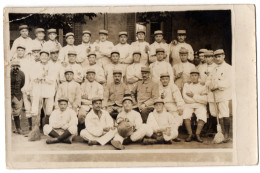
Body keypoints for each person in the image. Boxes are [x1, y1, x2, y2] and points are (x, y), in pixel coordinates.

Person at [206, 49, 232, 143]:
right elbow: (208, 80)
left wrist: (216, 86)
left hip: (223, 94)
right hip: (213, 95)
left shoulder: (228, 68)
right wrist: (210, 85)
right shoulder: (214, 68)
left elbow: (228, 82)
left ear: (223, 56)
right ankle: (219, 132)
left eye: (219, 56)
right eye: (216, 57)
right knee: (214, 113)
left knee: (224, 113)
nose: (217, 58)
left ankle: (227, 135)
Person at [30, 49, 56, 126]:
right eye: (42, 55)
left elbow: (52, 79)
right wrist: (41, 76)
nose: (44, 57)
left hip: (49, 89)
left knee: (49, 110)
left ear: (48, 57)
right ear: (40, 56)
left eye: (46, 55)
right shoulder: (35, 65)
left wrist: (44, 78)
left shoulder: (52, 66)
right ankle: (35, 129)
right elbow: (33, 77)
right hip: (38, 89)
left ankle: (47, 128)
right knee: (35, 110)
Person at [182, 68, 208, 143]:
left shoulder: (203, 86)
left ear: (198, 76)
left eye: (195, 75)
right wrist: (198, 97)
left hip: (200, 104)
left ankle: (197, 134)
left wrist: (193, 96)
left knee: (202, 113)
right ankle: (190, 134)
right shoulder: (187, 85)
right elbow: (185, 98)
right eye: (192, 75)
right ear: (190, 76)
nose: (193, 77)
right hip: (189, 104)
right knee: (186, 113)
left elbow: (205, 99)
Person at [159, 73, 185, 141]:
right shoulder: (158, 87)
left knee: (177, 117)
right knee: (161, 117)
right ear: (160, 80)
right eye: (163, 79)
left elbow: (178, 98)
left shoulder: (173, 86)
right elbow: (157, 98)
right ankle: (164, 135)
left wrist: (180, 107)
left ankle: (174, 134)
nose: (164, 81)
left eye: (166, 79)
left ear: (169, 80)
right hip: (162, 105)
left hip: (172, 104)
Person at [78, 69, 104, 134]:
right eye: (89, 75)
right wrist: (93, 98)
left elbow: (100, 97)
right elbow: (80, 96)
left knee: (100, 116)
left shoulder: (99, 86)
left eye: (92, 75)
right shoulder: (82, 85)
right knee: (81, 115)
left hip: (96, 105)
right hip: (85, 105)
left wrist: (88, 97)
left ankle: (98, 132)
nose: (91, 76)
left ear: (95, 76)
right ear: (87, 76)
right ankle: (81, 132)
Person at [10, 60, 25, 134]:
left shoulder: (22, 73)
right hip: (8, 95)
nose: (15, 68)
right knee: (7, 112)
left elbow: (22, 84)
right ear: (11, 66)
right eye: (13, 66)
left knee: (17, 112)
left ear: (19, 67)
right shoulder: (7, 73)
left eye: (17, 66)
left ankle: (18, 128)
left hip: (18, 95)